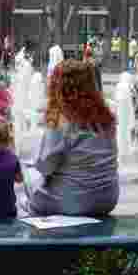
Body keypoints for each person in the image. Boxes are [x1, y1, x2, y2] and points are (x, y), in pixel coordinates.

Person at [23, 59, 119, 217]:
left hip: (72, 200)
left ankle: (33, 213)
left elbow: (45, 166)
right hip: (107, 199)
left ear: (58, 87)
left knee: (30, 175)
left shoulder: (62, 118)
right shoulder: (105, 117)